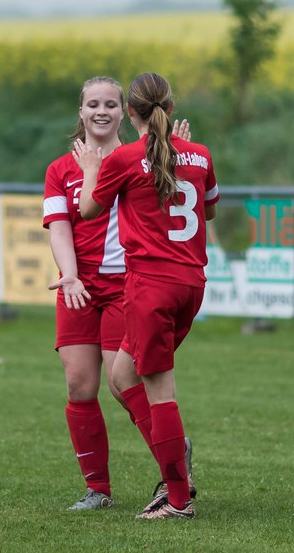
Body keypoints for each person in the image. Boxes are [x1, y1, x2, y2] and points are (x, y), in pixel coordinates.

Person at [42, 76, 193, 511]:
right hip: (78, 284)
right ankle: (98, 490)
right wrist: (69, 275)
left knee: (122, 382)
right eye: (93, 104)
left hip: (128, 283)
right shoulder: (60, 169)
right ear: (81, 111)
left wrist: (181, 156)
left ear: (125, 111)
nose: (101, 111)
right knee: (79, 385)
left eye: (110, 103)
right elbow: (60, 226)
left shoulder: (139, 158)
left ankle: (174, 470)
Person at [76, 72, 218, 520]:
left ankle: (177, 499)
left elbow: (89, 210)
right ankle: (175, 463)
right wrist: (180, 152)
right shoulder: (200, 155)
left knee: (160, 392)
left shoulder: (124, 159)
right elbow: (207, 207)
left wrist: (92, 170)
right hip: (190, 284)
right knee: (121, 377)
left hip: (151, 288)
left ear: (130, 112)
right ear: (170, 109)